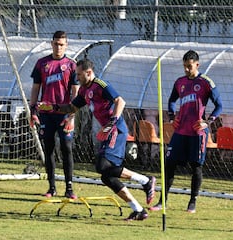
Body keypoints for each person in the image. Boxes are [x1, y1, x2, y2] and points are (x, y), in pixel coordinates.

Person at [38, 58, 156, 221]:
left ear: (88, 72)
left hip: (116, 130)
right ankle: (138, 209)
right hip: (107, 132)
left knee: (101, 166)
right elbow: (72, 107)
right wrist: (53, 107)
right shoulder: (84, 91)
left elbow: (120, 101)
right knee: (106, 176)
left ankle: (146, 180)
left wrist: (112, 122)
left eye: (79, 74)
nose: (77, 78)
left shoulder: (100, 84)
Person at [149, 50, 222, 213]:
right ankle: (163, 201)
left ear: (197, 64)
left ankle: (192, 201)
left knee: (196, 167)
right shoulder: (180, 82)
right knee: (169, 165)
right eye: (184, 67)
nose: (187, 70)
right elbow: (171, 101)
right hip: (180, 132)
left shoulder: (206, 82)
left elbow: (219, 106)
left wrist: (207, 122)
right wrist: (171, 117)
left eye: (190, 66)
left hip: (197, 133)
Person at [29, 31, 79, 199]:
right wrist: (32, 111)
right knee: (49, 149)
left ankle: (69, 188)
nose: (58, 47)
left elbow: (77, 94)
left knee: (66, 148)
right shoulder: (42, 63)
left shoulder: (72, 65)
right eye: (56, 43)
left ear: (66, 45)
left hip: (64, 114)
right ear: (51, 43)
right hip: (46, 113)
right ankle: (51, 187)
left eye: (62, 44)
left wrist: (71, 116)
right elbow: (36, 88)